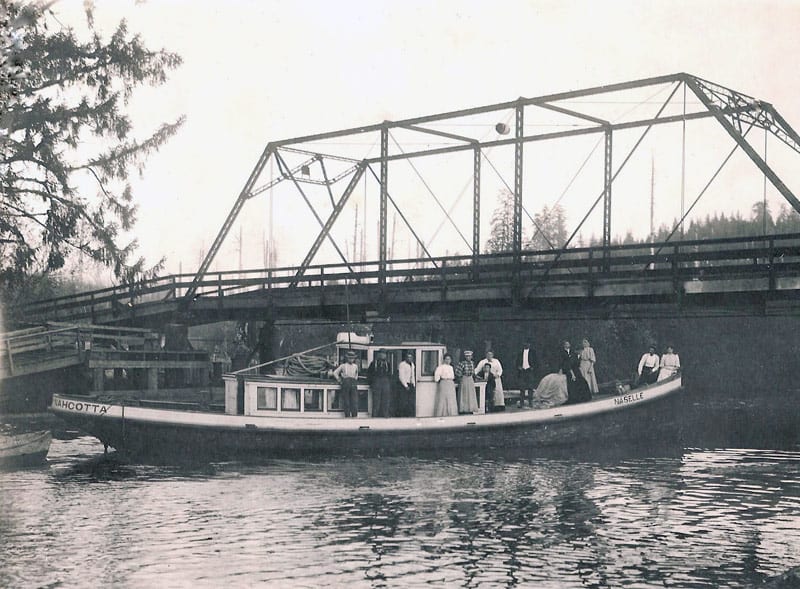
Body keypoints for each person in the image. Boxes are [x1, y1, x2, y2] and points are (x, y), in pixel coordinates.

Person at [332, 350, 359, 417]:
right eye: (349, 358)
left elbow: (356, 374)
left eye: (352, 358)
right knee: (346, 401)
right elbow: (335, 373)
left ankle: (354, 416)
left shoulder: (355, 366)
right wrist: (339, 380)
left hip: (353, 383)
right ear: (347, 358)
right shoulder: (343, 365)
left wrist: (355, 379)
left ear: (354, 359)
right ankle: (347, 416)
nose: (351, 359)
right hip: (345, 383)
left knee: (354, 401)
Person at [368, 349, 392, 417]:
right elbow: (369, 373)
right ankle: (375, 416)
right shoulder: (373, 363)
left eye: (384, 354)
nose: (382, 355)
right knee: (376, 401)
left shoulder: (388, 364)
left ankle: (385, 415)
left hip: (385, 383)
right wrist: (371, 383)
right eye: (381, 353)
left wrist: (388, 383)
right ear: (378, 354)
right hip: (377, 382)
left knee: (386, 400)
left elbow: (390, 374)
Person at [455, 350, 480, 414]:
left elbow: (473, 372)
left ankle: (470, 409)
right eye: (467, 356)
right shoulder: (462, 363)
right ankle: (464, 409)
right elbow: (457, 372)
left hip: (470, 380)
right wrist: (461, 377)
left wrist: (476, 377)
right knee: (464, 394)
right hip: (464, 379)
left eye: (469, 356)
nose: (468, 357)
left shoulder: (472, 363)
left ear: (471, 356)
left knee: (471, 395)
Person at [517, 341, 538, 408]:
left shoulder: (533, 352)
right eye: (525, 343)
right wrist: (519, 367)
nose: (527, 344)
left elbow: (536, 361)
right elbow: (517, 361)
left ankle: (530, 402)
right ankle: (522, 403)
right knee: (522, 388)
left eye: (528, 343)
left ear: (530, 344)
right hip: (522, 371)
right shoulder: (520, 352)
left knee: (530, 387)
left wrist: (532, 368)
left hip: (529, 371)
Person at [396, 351, 416, 416]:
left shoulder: (412, 364)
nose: (409, 359)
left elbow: (413, 375)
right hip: (403, 385)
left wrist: (413, 384)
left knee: (410, 401)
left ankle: (409, 415)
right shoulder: (402, 364)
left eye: (411, 357)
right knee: (403, 401)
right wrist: (405, 385)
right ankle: (402, 416)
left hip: (410, 384)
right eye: (408, 357)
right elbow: (401, 376)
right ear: (405, 358)